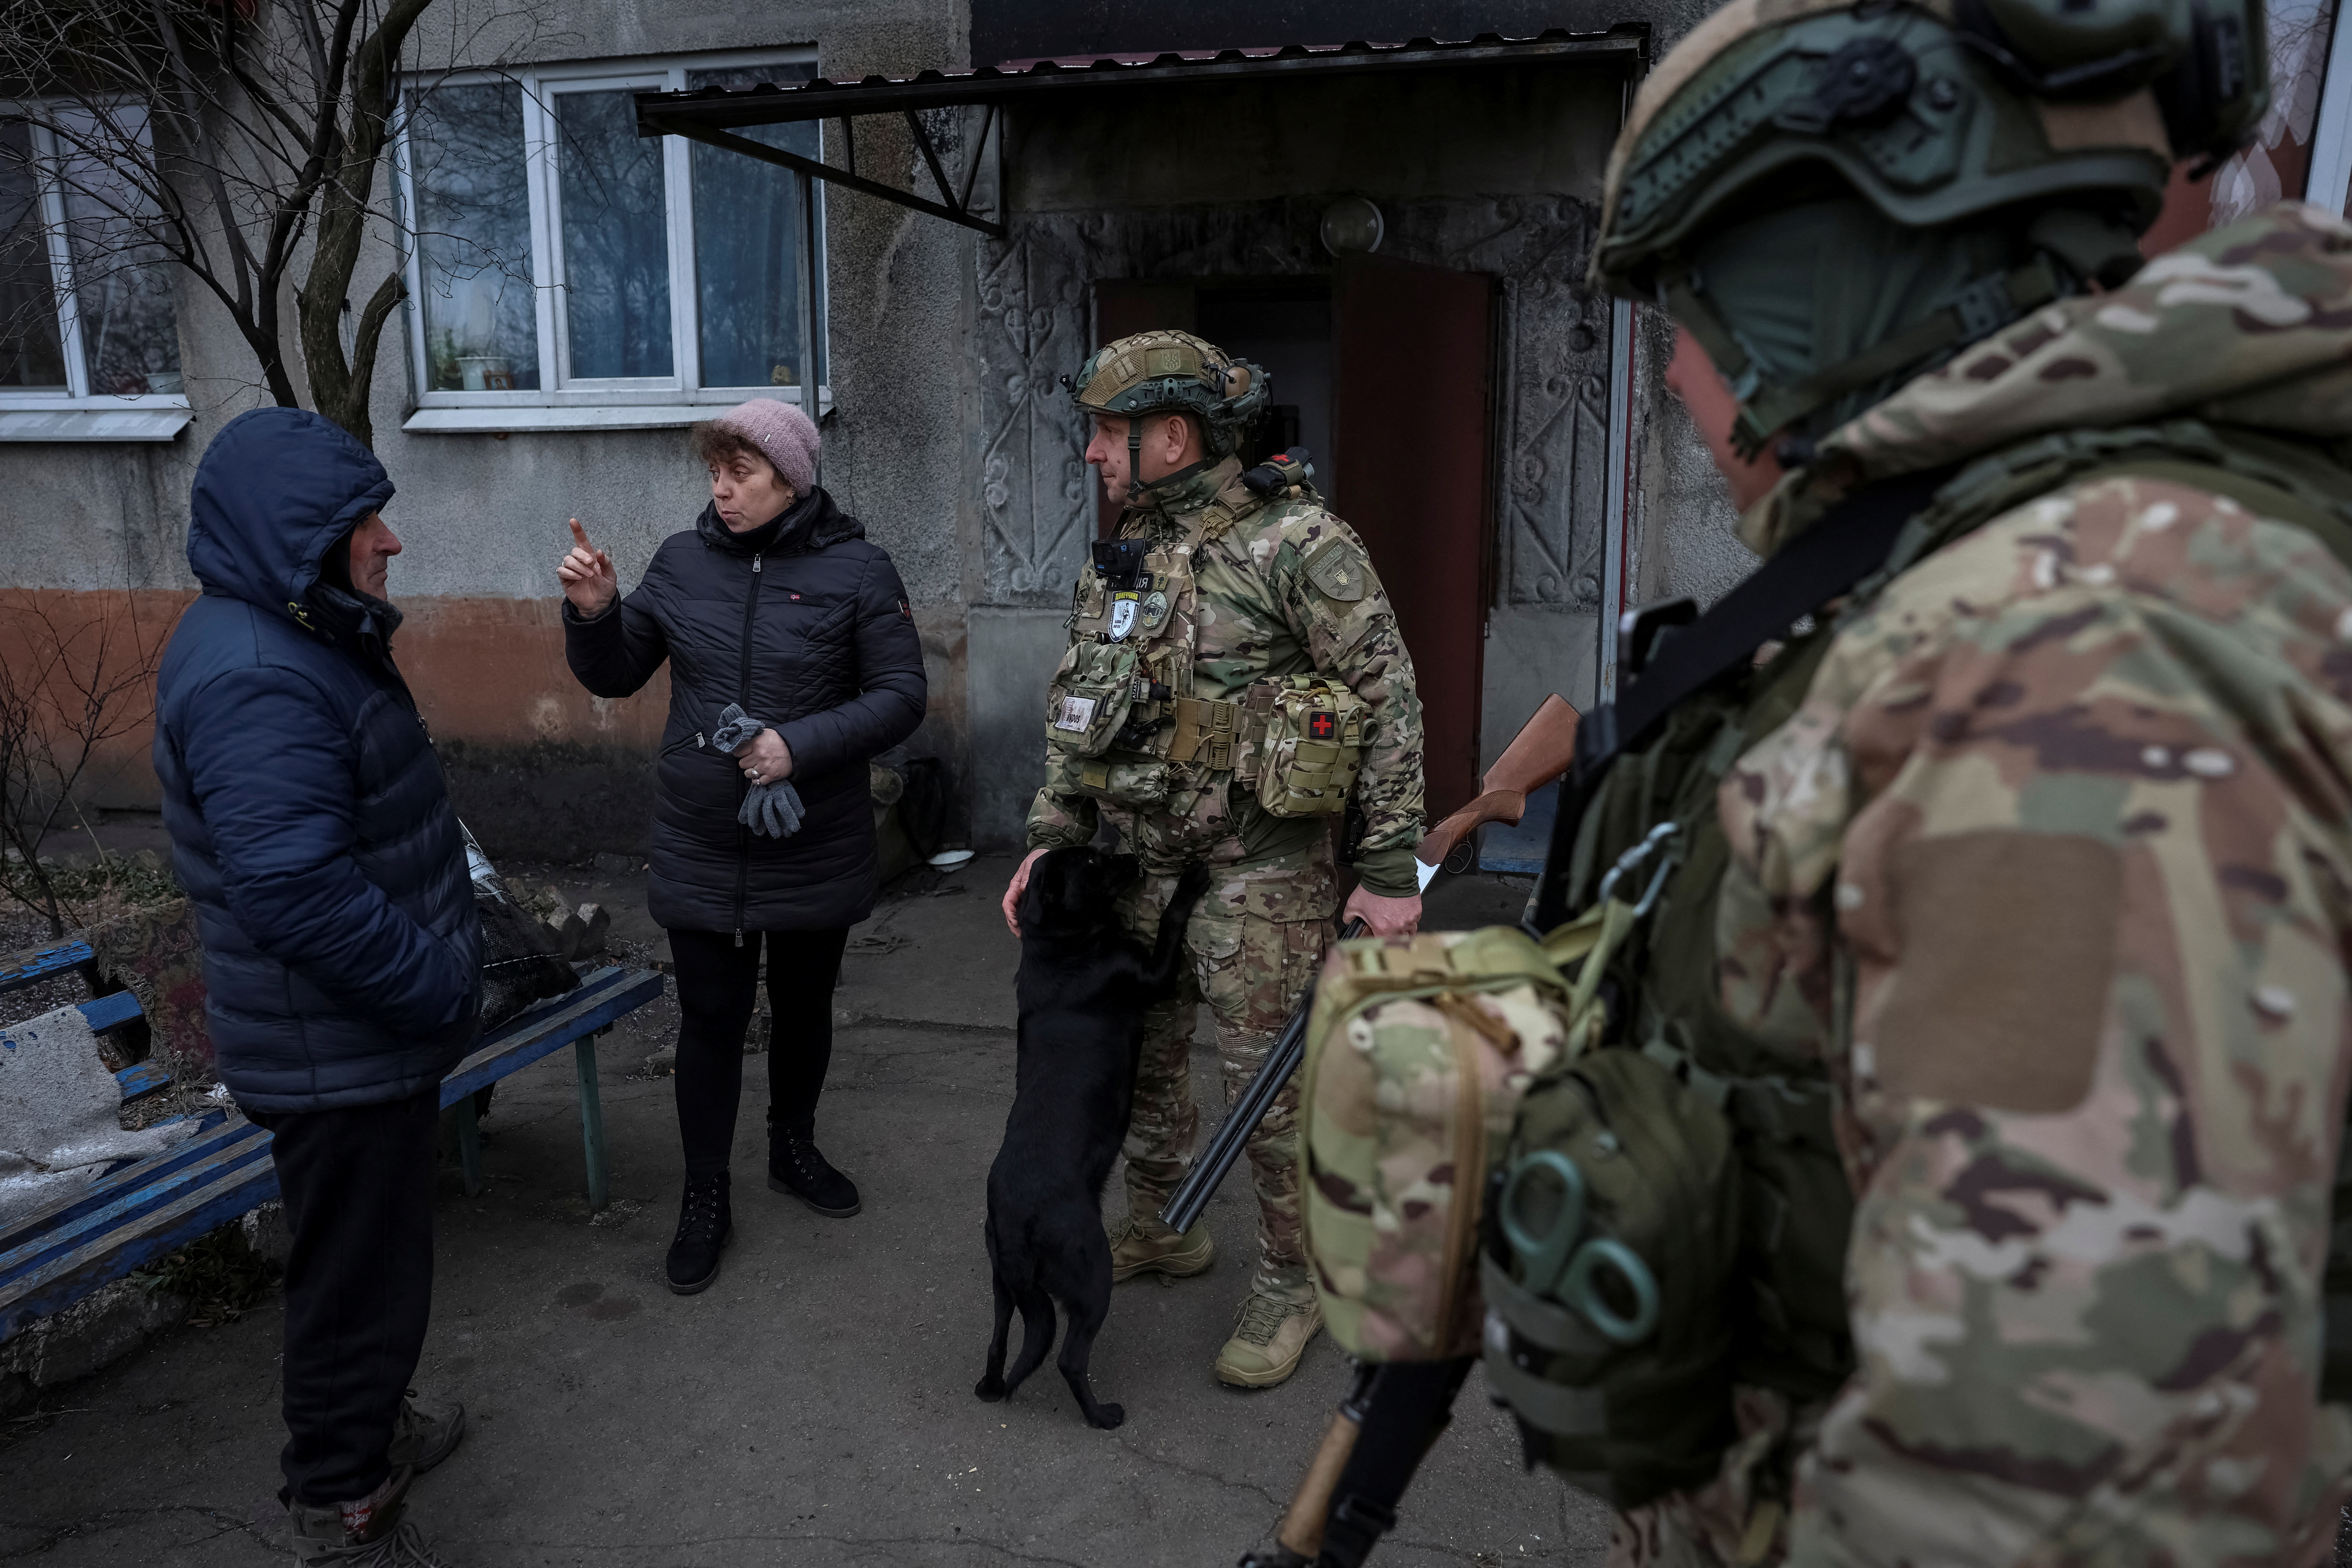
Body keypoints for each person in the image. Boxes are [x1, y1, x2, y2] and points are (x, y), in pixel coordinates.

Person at [1321, 2, 2352, 1563]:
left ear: (1834, 279)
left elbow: (2053, 1487)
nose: (1672, 373)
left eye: (1690, 308)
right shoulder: (2010, 579)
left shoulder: (2068, 668)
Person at [999, 330, 1427, 1389]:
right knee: (1139, 1063)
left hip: (1263, 873)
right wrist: (1052, 836)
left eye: (1108, 434)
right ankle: (1159, 1224)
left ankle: (1296, 1277)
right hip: (1139, 859)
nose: (1094, 455)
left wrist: (1388, 870)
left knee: (1270, 1095)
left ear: (1172, 435)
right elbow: (1083, 702)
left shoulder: (1300, 544)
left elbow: (1389, 701)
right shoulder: (1129, 550)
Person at [155, 408, 479, 1567]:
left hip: (351, 1038)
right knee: (354, 1291)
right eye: (364, 523)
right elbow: (296, 894)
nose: (390, 541)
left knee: (374, 1272)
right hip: (339, 1046)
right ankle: (341, 1507)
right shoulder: (256, 674)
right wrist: (440, 988)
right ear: (302, 539)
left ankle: (369, 1435)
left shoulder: (297, 630)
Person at [560, 396, 926, 1296]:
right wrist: (598, 612)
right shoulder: (682, 563)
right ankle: (705, 1194)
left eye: (742, 475)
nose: (722, 492)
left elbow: (902, 693)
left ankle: (792, 1148)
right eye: (714, 475)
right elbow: (615, 672)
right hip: (703, 839)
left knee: (804, 1011)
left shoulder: (858, 569)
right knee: (711, 1023)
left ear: (791, 478)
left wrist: (797, 744)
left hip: (813, 836)